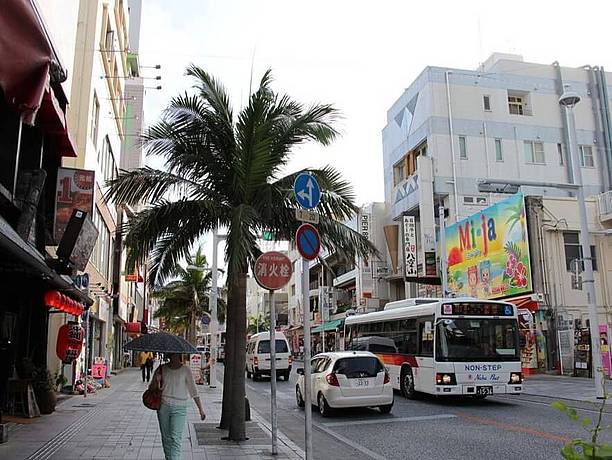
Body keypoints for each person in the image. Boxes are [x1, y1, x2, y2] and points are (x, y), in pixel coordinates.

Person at [149, 353, 206, 460]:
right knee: (166, 438)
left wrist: (201, 410)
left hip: (180, 408)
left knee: (175, 438)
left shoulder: (186, 370)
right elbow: (151, 388)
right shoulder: (162, 368)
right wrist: (157, 381)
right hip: (163, 407)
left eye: (175, 354)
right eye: (171, 354)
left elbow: (194, 391)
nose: (173, 355)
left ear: (179, 355)